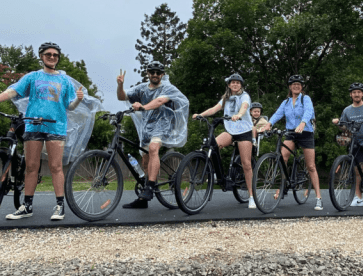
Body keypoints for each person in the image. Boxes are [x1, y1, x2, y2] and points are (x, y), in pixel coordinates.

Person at [0, 42, 84, 221]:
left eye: (55, 54)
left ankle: (60, 206)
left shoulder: (64, 80)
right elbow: (13, 91)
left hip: (56, 126)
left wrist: (77, 100)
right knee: (31, 167)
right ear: (41, 56)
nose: (52, 57)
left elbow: (69, 105)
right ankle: (27, 206)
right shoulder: (32, 77)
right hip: (33, 125)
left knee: (55, 167)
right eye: (48, 54)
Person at [117, 61, 188, 208]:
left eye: (158, 72)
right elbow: (122, 97)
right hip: (147, 127)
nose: (155, 75)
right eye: (152, 72)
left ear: (162, 74)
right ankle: (143, 200)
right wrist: (120, 85)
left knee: (153, 148)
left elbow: (160, 100)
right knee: (145, 162)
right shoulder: (142, 88)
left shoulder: (168, 88)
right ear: (148, 73)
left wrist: (143, 107)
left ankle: (149, 187)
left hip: (163, 124)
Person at [192, 73, 256, 208]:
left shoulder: (245, 96)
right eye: (232, 82)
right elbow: (214, 109)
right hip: (230, 130)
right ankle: (215, 173)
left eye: (238, 83)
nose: (235, 84)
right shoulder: (226, 98)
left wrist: (238, 115)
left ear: (241, 85)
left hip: (244, 131)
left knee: (246, 164)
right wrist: (200, 115)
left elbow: (244, 107)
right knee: (213, 145)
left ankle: (251, 196)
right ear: (228, 85)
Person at [260, 75, 323, 211]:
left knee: (311, 166)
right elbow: (278, 113)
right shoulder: (286, 102)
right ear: (290, 87)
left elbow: (309, 111)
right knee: (282, 158)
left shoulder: (305, 98)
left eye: (299, 84)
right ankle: (281, 188)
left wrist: (302, 123)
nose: (296, 86)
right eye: (294, 84)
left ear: (301, 87)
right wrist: (269, 123)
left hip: (305, 132)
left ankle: (318, 198)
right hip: (291, 132)